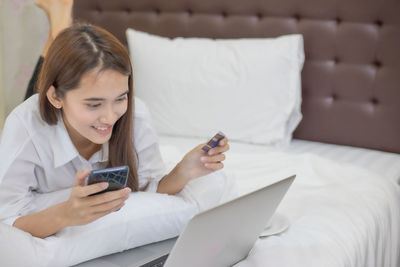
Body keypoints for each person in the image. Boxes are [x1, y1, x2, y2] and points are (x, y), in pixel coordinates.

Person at [0, 0, 229, 239]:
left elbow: (148, 189)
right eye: (94, 104)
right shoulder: (26, 125)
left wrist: (184, 170)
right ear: (56, 97)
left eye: (120, 98)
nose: (110, 117)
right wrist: (65, 215)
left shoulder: (136, 114)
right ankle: (59, 17)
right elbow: (6, 220)